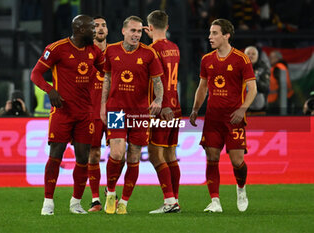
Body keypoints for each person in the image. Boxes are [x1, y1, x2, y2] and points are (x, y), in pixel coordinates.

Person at [30, 14, 105, 215]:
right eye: (92, 28)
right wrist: (50, 90)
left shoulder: (94, 51)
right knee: (56, 155)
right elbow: (35, 74)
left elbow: (107, 69)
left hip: (85, 113)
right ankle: (48, 203)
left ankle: (75, 203)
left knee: (83, 158)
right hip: (62, 112)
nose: (95, 31)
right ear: (80, 29)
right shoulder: (56, 49)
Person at [189, 18, 257, 213]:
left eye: (215, 33)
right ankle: (215, 201)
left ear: (226, 35)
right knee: (211, 158)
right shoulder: (206, 59)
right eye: (210, 33)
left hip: (234, 119)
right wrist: (195, 109)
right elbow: (202, 87)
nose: (210, 37)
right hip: (212, 118)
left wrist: (243, 108)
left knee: (237, 161)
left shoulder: (241, 59)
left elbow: (252, 88)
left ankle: (241, 188)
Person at [100, 15, 164, 214]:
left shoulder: (149, 53)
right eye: (133, 31)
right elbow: (107, 79)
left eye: (139, 31)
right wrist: (103, 105)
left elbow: (158, 81)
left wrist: (159, 99)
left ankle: (124, 203)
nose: (136, 35)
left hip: (140, 112)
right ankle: (111, 193)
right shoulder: (111, 50)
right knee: (117, 154)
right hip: (116, 110)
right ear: (124, 31)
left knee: (134, 157)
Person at [143, 10, 181, 214]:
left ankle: (169, 201)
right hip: (176, 106)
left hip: (161, 108)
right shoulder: (174, 48)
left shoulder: (151, 50)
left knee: (155, 155)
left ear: (148, 28)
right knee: (170, 154)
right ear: (166, 27)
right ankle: (174, 200)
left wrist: (162, 104)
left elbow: (159, 81)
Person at [87, 16, 109, 212]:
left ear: (108, 30)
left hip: (116, 112)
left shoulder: (117, 52)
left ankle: (111, 193)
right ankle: (95, 199)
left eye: (103, 25)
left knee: (119, 154)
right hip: (91, 112)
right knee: (93, 154)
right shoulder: (84, 54)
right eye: (96, 26)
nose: (100, 28)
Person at [244, 46, 270, 115]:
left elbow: (265, 88)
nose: (251, 56)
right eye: (248, 53)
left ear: (257, 56)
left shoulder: (263, 68)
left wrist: (255, 80)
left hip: (259, 107)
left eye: (253, 54)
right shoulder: (237, 67)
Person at [267, 50, 294, 115]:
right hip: (282, 99)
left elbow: (281, 86)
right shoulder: (281, 67)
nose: (269, 59)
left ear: (277, 58)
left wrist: (279, 102)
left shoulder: (278, 68)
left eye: (271, 57)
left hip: (278, 101)